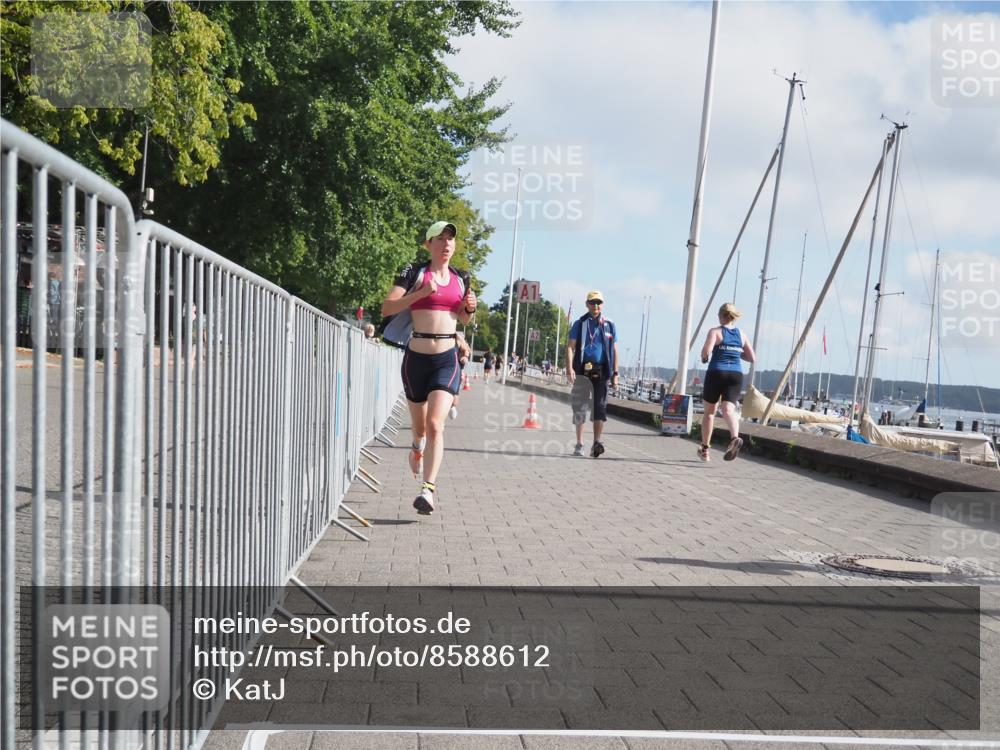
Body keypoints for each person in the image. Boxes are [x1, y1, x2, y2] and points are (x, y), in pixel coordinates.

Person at [381, 221, 477, 514]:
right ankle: (416, 446)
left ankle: (428, 490)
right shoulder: (414, 272)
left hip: (446, 358)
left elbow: (463, 319)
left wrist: (470, 309)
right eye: (441, 238)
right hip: (415, 358)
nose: (447, 244)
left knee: (437, 423)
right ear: (429, 244)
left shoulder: (461, 278)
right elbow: (387, 307)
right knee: (420, 427)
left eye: (451, 239)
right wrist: (419, 294)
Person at [698, 302, 756, 461]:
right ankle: (734, 438)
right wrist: (736, 352)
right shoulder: (741, 334)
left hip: (717, 372)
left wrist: (704, 357)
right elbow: (752, 358)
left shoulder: (715, 332)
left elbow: (706, 351)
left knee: (709, 413)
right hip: (736, 375)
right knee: (728, 410)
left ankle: (705, 450)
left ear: (721, 316)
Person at [566, 290, 619, 458]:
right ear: (587, 304)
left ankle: (596, 443)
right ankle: (580, 443)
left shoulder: (609, 324)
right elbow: (570, 347)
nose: (596, 306)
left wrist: (615, 373)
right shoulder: (580, 323)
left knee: (600, 408)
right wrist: (569, 368)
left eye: (598, 303)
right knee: (580, 407)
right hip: (582, 370)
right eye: (592, 302)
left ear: (602, 305)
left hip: (602, 370)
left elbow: (615, 350)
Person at [450, 331, 471, 420]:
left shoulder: (460, 341)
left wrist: (465, 357)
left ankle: (451, 406)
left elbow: (467, 350)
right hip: (442, 369)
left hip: (456, 371)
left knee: (454, 400)